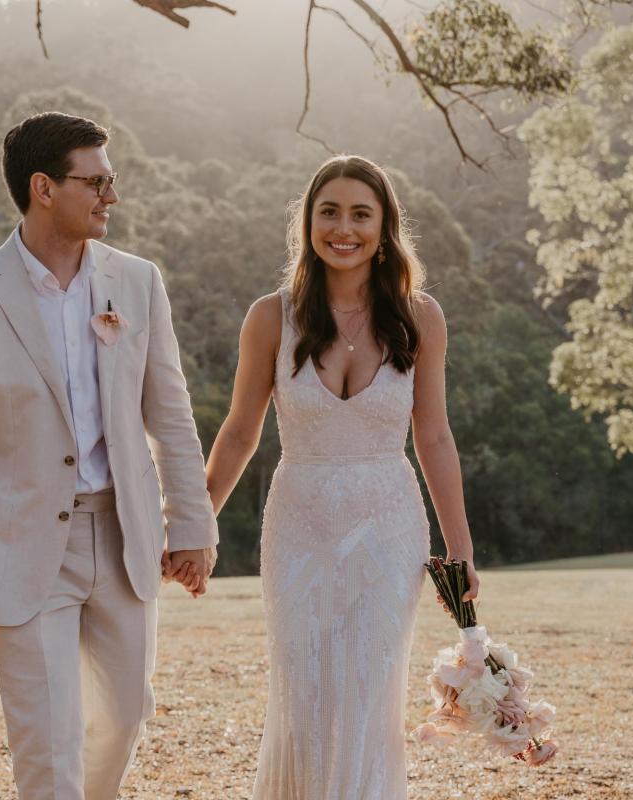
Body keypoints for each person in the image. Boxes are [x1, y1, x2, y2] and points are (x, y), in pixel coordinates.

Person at [0, 112, 216, 800]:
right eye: (97, 182)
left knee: (121, 721)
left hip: (123, 536)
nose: (111, 196)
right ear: (43, 188)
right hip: (21, 551)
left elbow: (170, 411)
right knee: (47, 742)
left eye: (112, 181)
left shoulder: (138, 281)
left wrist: (194, 527)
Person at [204, 155, 480, 798]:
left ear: (385, 229)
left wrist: (460, 550)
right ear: (308, 223)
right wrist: (195, 521)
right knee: (304, 690)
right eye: (329, 212)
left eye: (362, 214)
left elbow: (434, 435)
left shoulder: (422, 317)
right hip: (298, 522)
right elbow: (242, 429)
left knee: (369, 691)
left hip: (389, 526)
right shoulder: (270, 318)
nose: (343, 228)